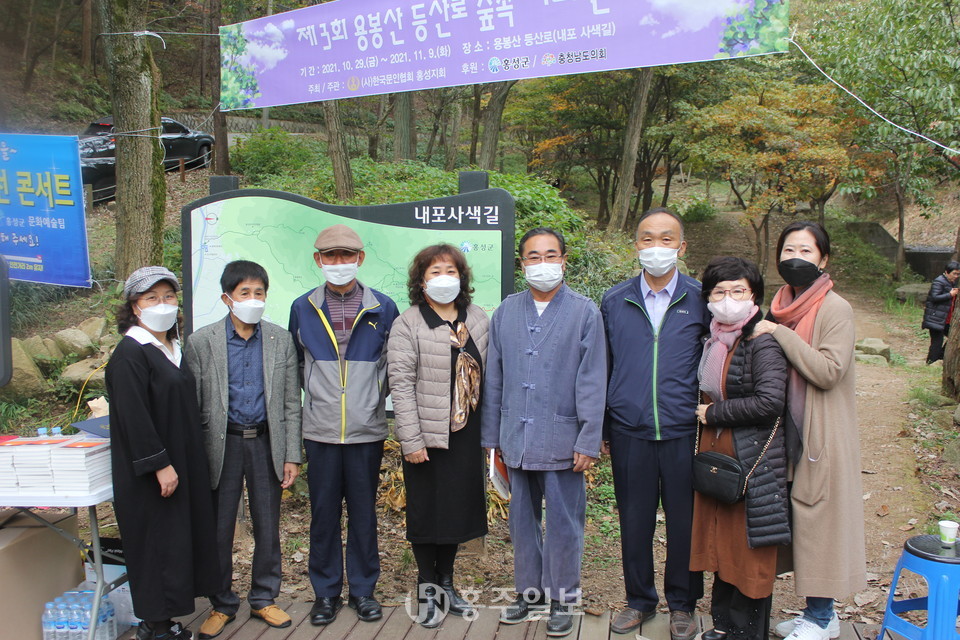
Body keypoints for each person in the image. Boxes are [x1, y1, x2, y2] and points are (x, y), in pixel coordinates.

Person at [481, 227, 607, 638]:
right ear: (521, 264)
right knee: (521, 521)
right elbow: (494, 378)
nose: (542, 264)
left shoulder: (584, 311)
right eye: (533, 257)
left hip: (563, 439)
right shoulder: (506, 311)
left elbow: (592, 380)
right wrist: (491, 439)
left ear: (564, 260)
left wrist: (589, 438)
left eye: (550, 255)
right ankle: (528, 593)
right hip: (515, 437)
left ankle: (563, 597)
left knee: (565, 523)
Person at [753, 221, 866, 640]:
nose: (795, 259)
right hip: (786, 429)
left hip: (821, 432)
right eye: (788, 251)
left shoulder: (835, 308)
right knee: (795, 518)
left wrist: (779, 334)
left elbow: (828, 371)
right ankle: (817, 612)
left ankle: (822, 617)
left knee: (819, 520)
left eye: (805, 251)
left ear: (823, 259)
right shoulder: (781, 303)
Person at [601, 207, 708, 640]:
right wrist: (606, 427)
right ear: (636, 246)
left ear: (681, 248)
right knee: (635, 520)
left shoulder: (702, 299)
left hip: (686, 430)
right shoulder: (614, 300)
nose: (656, 247)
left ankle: (683, 604)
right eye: (648, 238)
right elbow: (601, 367)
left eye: (667, 239)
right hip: (630, 429)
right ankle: (639, 600)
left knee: (685, 523)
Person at [183, 260, 303, 639]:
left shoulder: (279, 339)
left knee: (268, 526)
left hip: (266, 442)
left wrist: (291, 454)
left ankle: (265, 597)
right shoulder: (202, 343)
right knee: (219, 529)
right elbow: (193, 405)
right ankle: (221, 603)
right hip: (221, 445)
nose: (253, 300)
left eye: (259, 293)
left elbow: (289, 403)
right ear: (226, 298)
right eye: (244, 293)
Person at [288, 224, 399, 626]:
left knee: (364, 513)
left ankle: (364, 591)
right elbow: (298, 368)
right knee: (323, 513)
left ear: (360, 259)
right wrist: (320, 401)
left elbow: (392, 365)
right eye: (330, 256)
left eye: (345, 256)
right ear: (318, 260)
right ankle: (326, 593)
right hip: (319, 431)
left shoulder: (383, 307)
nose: (338, 263)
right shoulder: (302, 307)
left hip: (366, 430)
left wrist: (370, 400)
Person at [105, 266, 219, 640]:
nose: (162, 304)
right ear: (134, 307)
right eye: (151, 298)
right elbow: (133, 417)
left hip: (180, 463)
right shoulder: (130, 354)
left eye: (168, 296)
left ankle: (165, 621)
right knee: (154, 544)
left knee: (174, 542)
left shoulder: (171, 348)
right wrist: (160, 465)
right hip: (152, 473)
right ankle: (154, 627)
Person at [387, 244, 490, 628]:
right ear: (421, 280)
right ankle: (427, 586)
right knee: (427, 513)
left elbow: (491, 377)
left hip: (466, 435)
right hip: (427, 437)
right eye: (434, 272)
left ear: (461, 277)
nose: (443, 277)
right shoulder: (409, 322)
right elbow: (400, 383)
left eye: (450, 270)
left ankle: (447, 583)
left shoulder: (477, 318)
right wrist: (410, 440)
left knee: (456, 511)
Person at [690, 257, 789, 640]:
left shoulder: (763, 340)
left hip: (752, 457)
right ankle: (722, 626)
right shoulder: (713, 339)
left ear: (753, 296)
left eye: (738, 291)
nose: (727, 299)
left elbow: (769, 403)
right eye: (719, 292)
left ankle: (746, 632)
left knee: (747, 550)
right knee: (720, 545)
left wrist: (712, 413)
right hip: (719, 454)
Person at [922, 261, 960, 364]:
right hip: (935, 319)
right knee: (936, 343)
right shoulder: (939, 282)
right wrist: (950, 294)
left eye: (958, 274)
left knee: (955, 337)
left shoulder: (951, 282)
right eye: (954, 274)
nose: (956, 276)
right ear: (947, 272)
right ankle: (931, 362)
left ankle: (940, 357)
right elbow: (934, 297)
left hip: (945, 319)